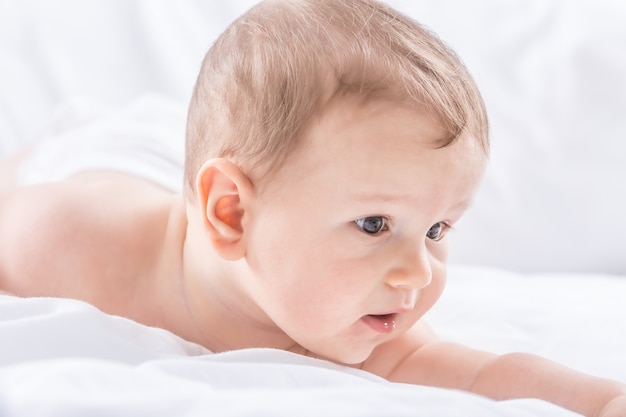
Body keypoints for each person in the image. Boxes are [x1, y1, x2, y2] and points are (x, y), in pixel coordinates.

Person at [0, 0, 624, 415]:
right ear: (233, 217)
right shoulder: (68, 241)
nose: (419, 273)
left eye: (436, 228)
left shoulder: (357, 316)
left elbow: (485, 373)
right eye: (375, 224)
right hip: (116, 157)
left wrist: (599, 402)